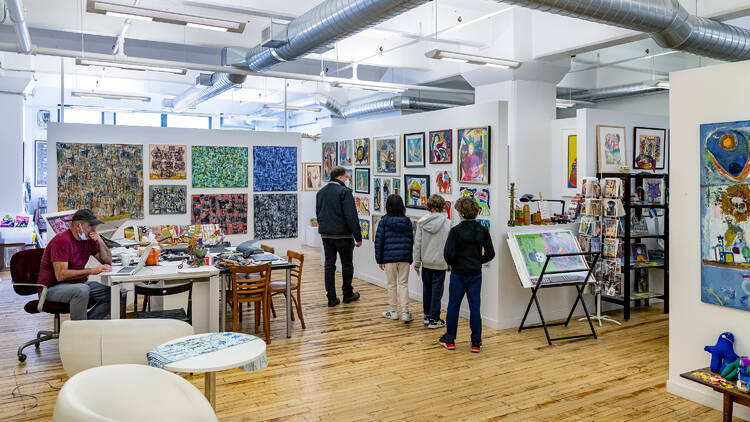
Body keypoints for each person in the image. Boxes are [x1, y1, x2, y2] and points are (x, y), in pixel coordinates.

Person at [37, 209, 124, 320]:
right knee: (82, 290)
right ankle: (79, 331)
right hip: (50, 289)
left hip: (77, 284)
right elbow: (60, 275)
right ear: (79, 225)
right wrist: (91, 271)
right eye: (91, 225)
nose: (94, 229)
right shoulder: (61, 241)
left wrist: (100, 241)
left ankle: (83, 327)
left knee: (115, 295)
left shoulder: (88, 239)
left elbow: (107, 261)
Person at [440, 197, 495, 352]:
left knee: (453, 305)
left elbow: (448, 253)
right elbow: (490, 253)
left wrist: (452, 263)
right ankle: (476, 342)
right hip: (475, 273)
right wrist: (478, 260)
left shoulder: (456, 231)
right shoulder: (482, 230)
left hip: (458, 273)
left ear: (461, 213)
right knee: (475, 307)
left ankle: (450, 339)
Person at [316, 166, 362, 307]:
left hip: (326, 235)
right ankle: (347, 294)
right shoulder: (344, 192)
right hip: (343, 236)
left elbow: (318, 213)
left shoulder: (321, 192)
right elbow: (351, 216)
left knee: (329, 265)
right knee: (347, 265)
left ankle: (331, 297)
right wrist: (358, 237)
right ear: (341, 177)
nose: (347, 180)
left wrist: (323, 229)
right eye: (347, 177)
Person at [413, 194, 452, 329]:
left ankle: (427, 316)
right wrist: (449, 263)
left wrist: (417, 263)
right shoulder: (447, 223)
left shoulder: (422, 222)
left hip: (426, 262)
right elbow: (449, 246)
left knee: (427, 289)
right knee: (437, 291)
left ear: (429, 206)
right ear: (442, 206)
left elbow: (417, 244)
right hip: (440, 263)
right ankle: (435, 318)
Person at [374, 195, 414, 322]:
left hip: (389, 258)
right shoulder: (407, 222)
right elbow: (410, 241)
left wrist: (379, 259)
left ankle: (393, 311)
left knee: (391, 284)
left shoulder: (383, 222)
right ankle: (405, 312)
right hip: (404, 258)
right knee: (404, 284)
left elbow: (379, 242)